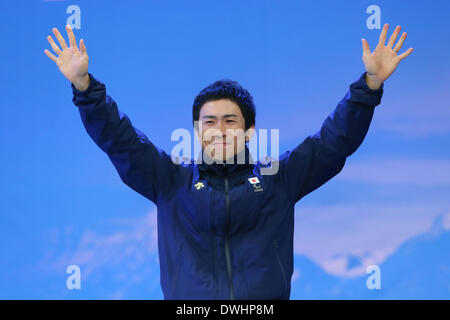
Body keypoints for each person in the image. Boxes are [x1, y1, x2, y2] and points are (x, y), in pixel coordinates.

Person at [44, 24, 413, 299]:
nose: (219, 129)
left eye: (230, 120)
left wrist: (370, 85)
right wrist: (85, 88)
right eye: (209, 121)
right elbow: (119, 140)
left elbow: (334, 141)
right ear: (195, 130)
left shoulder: (278, 178)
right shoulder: (170, 180)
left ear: (249, 131)